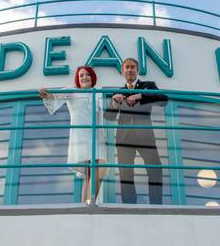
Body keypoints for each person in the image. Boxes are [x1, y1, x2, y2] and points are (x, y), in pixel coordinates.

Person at [38, 66, 107, 204]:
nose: (84, 77)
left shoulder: (98, 92)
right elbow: (54, 97)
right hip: (81, 135)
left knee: (98, 170)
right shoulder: (72, 91)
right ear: (78, 79)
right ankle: (89, 203)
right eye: (81, 75)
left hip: (97, 135)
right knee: (90, 171)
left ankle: (87, 203)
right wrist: (45, 94)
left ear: (92, 77)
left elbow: (107, 109)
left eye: (87, 75)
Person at [104, 57, 168, 204]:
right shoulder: (118, 92)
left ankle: (156, 206)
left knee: (156, 171)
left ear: (137, 70)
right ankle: (129, 207)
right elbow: (108, 117)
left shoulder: (148, 85)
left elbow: (164, 100)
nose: (129, 69)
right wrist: (114, 103)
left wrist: (141, 95)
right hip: (124, 138)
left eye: (132, 67)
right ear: (122, 71)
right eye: (126, 67)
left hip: (145, 136)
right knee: (126, 175)